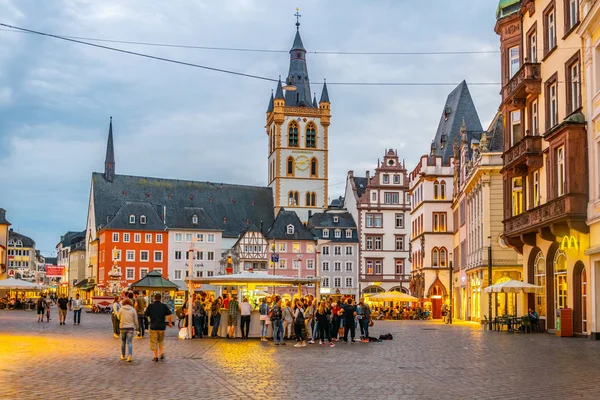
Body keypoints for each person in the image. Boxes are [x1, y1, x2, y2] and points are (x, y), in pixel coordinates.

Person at [145, 293, 173, 362]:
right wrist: (169, 323)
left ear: (154, 298)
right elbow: (169, 315)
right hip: (162, 326)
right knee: (161, 340)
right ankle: (161, 353)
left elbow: (146, 315)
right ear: (160, 298)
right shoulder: (164, 306)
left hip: (153, 326)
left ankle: (155, 356)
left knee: (154, 342)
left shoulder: (150, 306)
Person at [118, 298, 139, 362]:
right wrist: (137, 327)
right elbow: (135, 319)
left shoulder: (121, 309)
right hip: (130, 327)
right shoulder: (133, 309)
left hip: (123, 327)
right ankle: (129, 355)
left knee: (123, 342)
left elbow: (118, 317)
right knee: (129, 342)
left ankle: (123, 355)